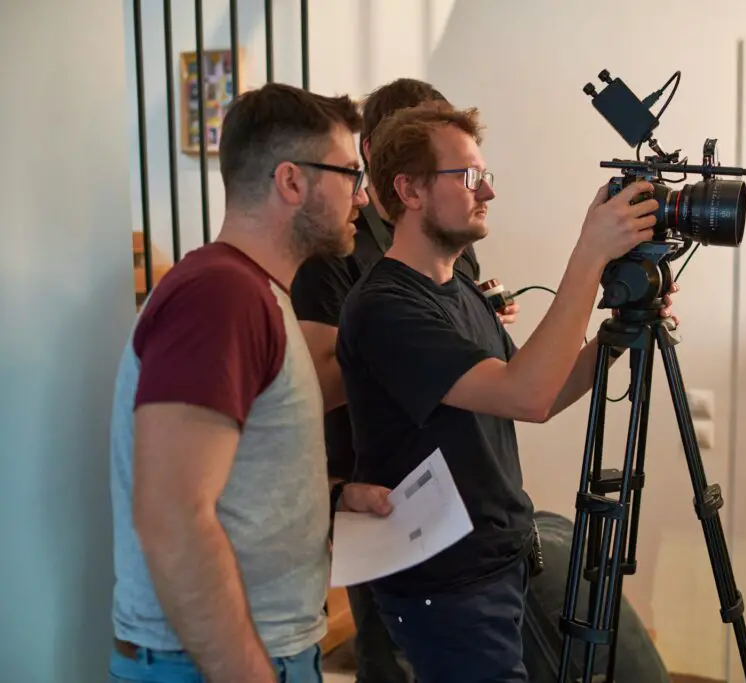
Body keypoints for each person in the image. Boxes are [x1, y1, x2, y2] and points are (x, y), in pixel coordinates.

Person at [336, 101, 676, 683]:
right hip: (446, 582)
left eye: (485, 176)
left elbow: (544, 389)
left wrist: (615, 335)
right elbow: (527, 396)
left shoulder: (461, 291)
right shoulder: (384, 307)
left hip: (499, 561)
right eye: (470, 177)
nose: (487, 192)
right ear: (410, 191)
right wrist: (589, 255)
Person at [106, 83, 393, 683]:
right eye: (349, 174)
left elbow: (232, 475)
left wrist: (330, 502)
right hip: (213, 663)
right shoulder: (221, 297)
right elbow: (170, 513)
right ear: (292, 182)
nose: (361, 197)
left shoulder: (255, 292)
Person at [290, 76, 519, 683]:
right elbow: (320, 381)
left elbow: (507, 378)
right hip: (384, 485)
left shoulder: (456, 252)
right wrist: (410, 348)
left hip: (465, 499)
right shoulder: (341, 255)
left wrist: (468, 330)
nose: (480, 188)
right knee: (387, 660)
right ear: (391, 164)